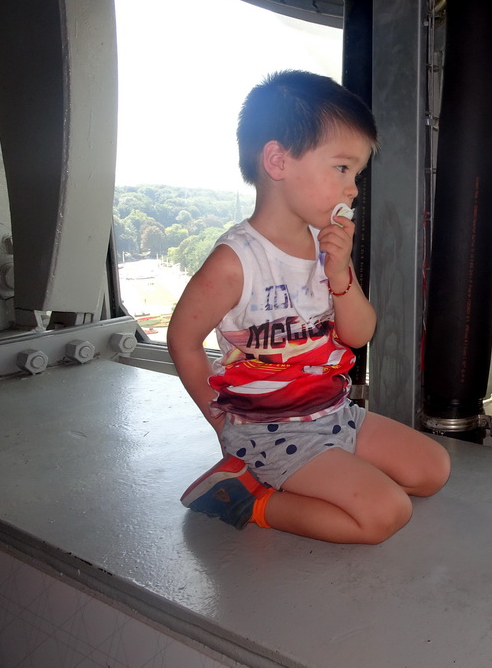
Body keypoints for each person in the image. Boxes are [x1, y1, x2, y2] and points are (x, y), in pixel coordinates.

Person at [168, 70, 450, 544]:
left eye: (356, 174)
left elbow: (359, 334)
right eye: (342, 169)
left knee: (432, 471)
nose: (353, 189)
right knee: (384, 515)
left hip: (334, 411)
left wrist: (340, 277)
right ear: (278, 160)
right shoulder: (236, 262)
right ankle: (248, 498)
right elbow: (183, 340)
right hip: (267, 428)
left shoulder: (327, 243)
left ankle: (319, 474)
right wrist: (220, 422)